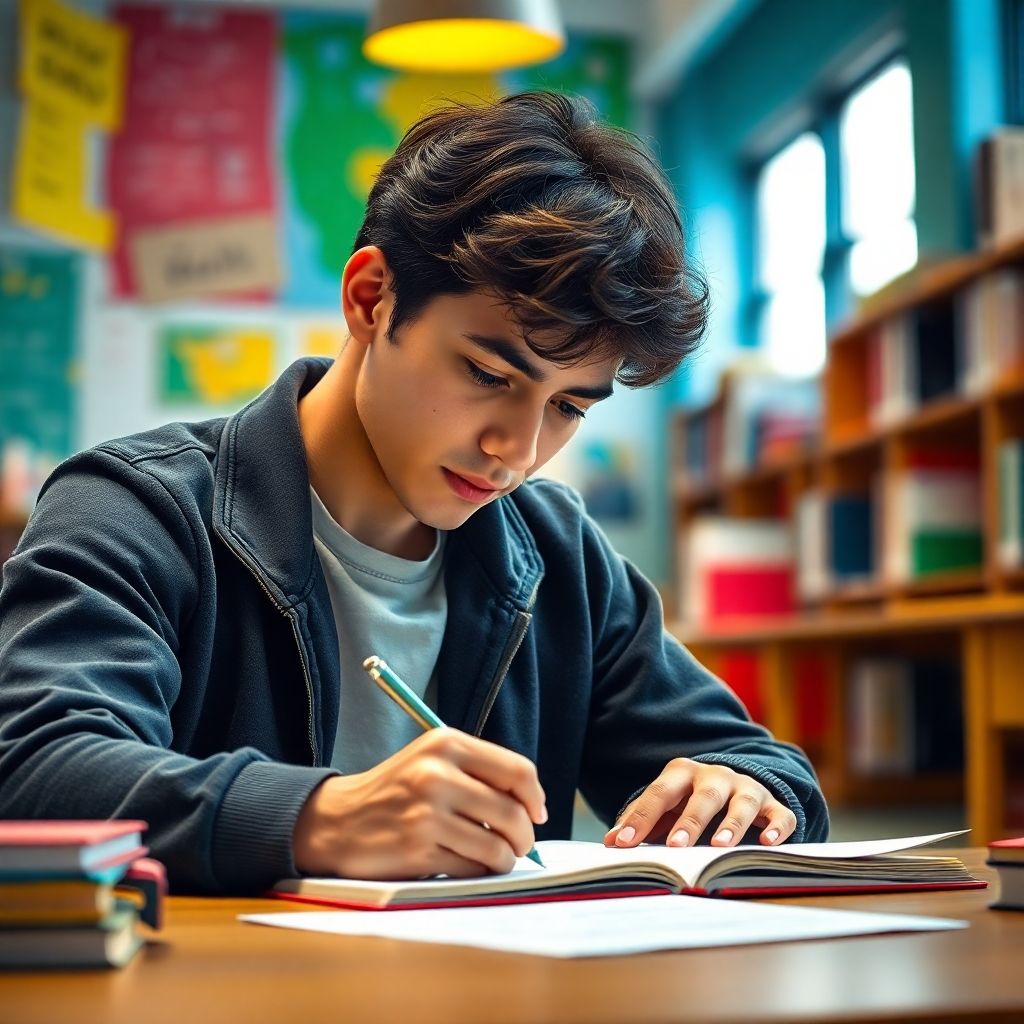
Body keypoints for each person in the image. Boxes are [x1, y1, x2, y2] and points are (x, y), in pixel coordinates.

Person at [0, 92, 828, 894]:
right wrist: (318, 817)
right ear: (371, 298)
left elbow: (760, 766)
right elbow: (33, 765)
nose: (518, 451)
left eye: (569, 406)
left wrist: (745, 793)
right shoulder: (134, 509)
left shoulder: (556, 553)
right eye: (486, 372)